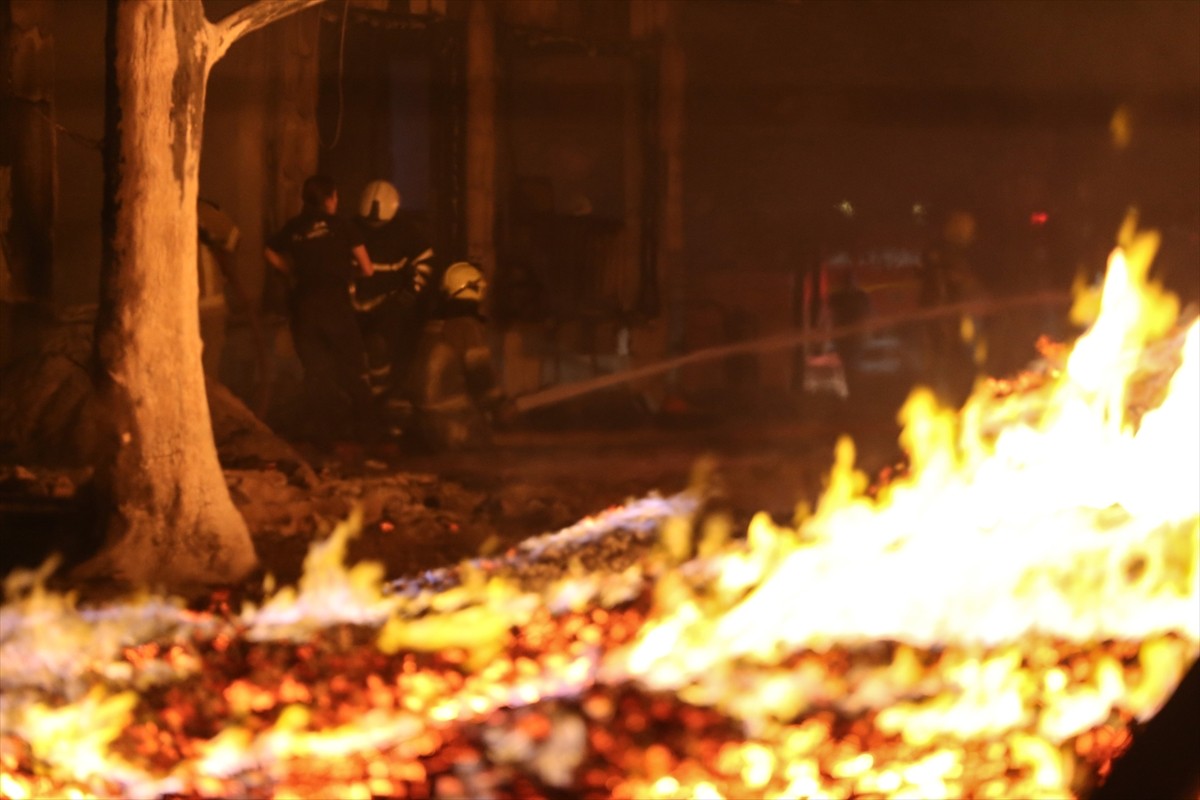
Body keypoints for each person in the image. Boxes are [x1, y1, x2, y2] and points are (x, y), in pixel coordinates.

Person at [264, 175, 382, 445]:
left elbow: (269, 250)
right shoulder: (343, 226)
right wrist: (345, 273)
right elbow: (367, 268)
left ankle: (327, 442)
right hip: (336, 309)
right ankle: (369, 436)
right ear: (329, 199)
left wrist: (290, 270)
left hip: (304, 310)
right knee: (354, 372)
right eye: (336, 197)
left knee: (317, 376)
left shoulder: (294, 227)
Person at [352, 179, 436, 434]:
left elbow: (424, 260)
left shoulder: (408, 232)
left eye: (379, 223)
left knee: (381, 349)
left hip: (389, 304)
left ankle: (382, 406)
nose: (375, 227)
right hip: (354, 303)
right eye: (370, 223)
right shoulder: (352, 228)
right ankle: (364, 409)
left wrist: (412, 291)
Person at [406, 261, 513, 451]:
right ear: (477, 289)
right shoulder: (467, 327)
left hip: (418, 426)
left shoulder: (432, 324)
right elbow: (481, 376)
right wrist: (501, 407)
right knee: (492, 452)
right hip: (452, 426)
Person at [918, 209, 985, 405]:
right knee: (943, 361)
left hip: (961, 317)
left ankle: (963, 401)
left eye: (969, 228)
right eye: (964, 227)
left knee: (965, 361)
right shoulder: (940, 253)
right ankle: (943, 404)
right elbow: (942, 287)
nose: (968, 232)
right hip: (944, 319)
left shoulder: (962, 253)